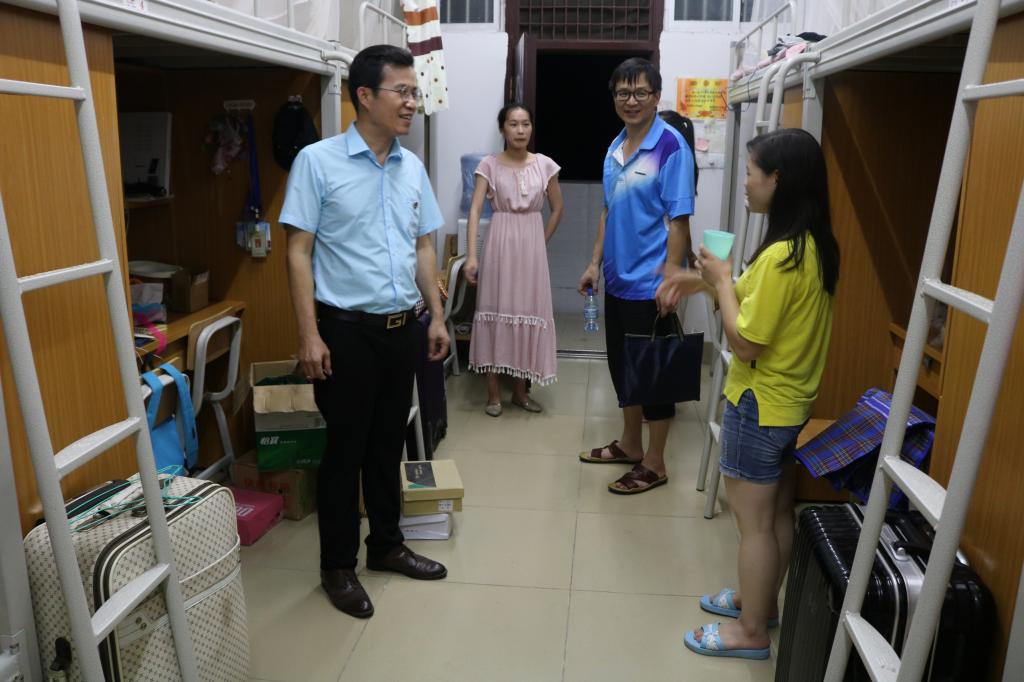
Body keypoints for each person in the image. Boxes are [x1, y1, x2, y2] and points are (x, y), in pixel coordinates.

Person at [280, 44, 450, 620]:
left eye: (414, 92)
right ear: (364, 96)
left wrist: (437, 315)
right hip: (345, 332)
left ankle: (386, 546)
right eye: (402, 91)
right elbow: (298, 252)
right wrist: (309, 334)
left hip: (402, 329)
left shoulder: (411, 167)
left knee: (387, 444)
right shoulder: (318, 161)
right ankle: (337, 566)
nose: (412, 102)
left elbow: (422, 245)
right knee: (345, 451)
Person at [685, 128, 840, 659]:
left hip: (758, 403)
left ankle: (750, 632)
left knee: (752, 524)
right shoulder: (811, 246)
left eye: (751, 174)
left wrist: (722, 280)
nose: (746, 183)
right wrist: (706, 281)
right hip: (790, 404)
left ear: (777, 179)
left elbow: (746, 341)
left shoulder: (781, 258)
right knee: (775, 515)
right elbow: (750, 304)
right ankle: (761, 605)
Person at [577, 57, 703, 494]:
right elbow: (608, 210)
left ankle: (655, 463)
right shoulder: (616, 146)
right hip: (617, 280)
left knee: (653, 376)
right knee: (622, 367)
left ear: (656, 96)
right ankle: (631, 443)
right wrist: (594, 263)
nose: (631, 100)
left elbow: (680, 221)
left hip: (651, 284)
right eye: (623, 93)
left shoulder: (671, 147)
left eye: (640, 93)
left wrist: (672, 279)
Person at [464, 103, 564, 415]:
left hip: (531, 248)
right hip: (500, 244)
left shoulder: (545, 165)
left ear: (531, 127)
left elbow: (558, 208)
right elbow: (475, 210)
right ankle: (493, 393)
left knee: (527, 311)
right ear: (502, 129)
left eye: (525, 124)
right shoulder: (489, 165)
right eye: (513, 124)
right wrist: (471, 255)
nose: (520, 130)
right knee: (495, 309)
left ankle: (520, 392)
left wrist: (540, 241)